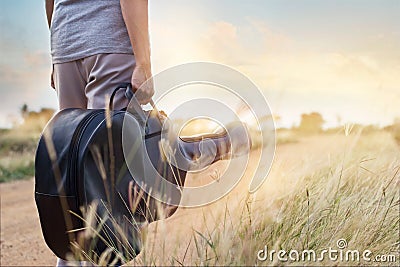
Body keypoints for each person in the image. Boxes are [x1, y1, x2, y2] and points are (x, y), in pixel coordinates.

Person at [45, 0, 153, 265]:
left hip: (65, 43)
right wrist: (143, 62)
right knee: (109, 166)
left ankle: (71, 259)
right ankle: (103, 258)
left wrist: (57, 53)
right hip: (109, 43)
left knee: (75, 161)